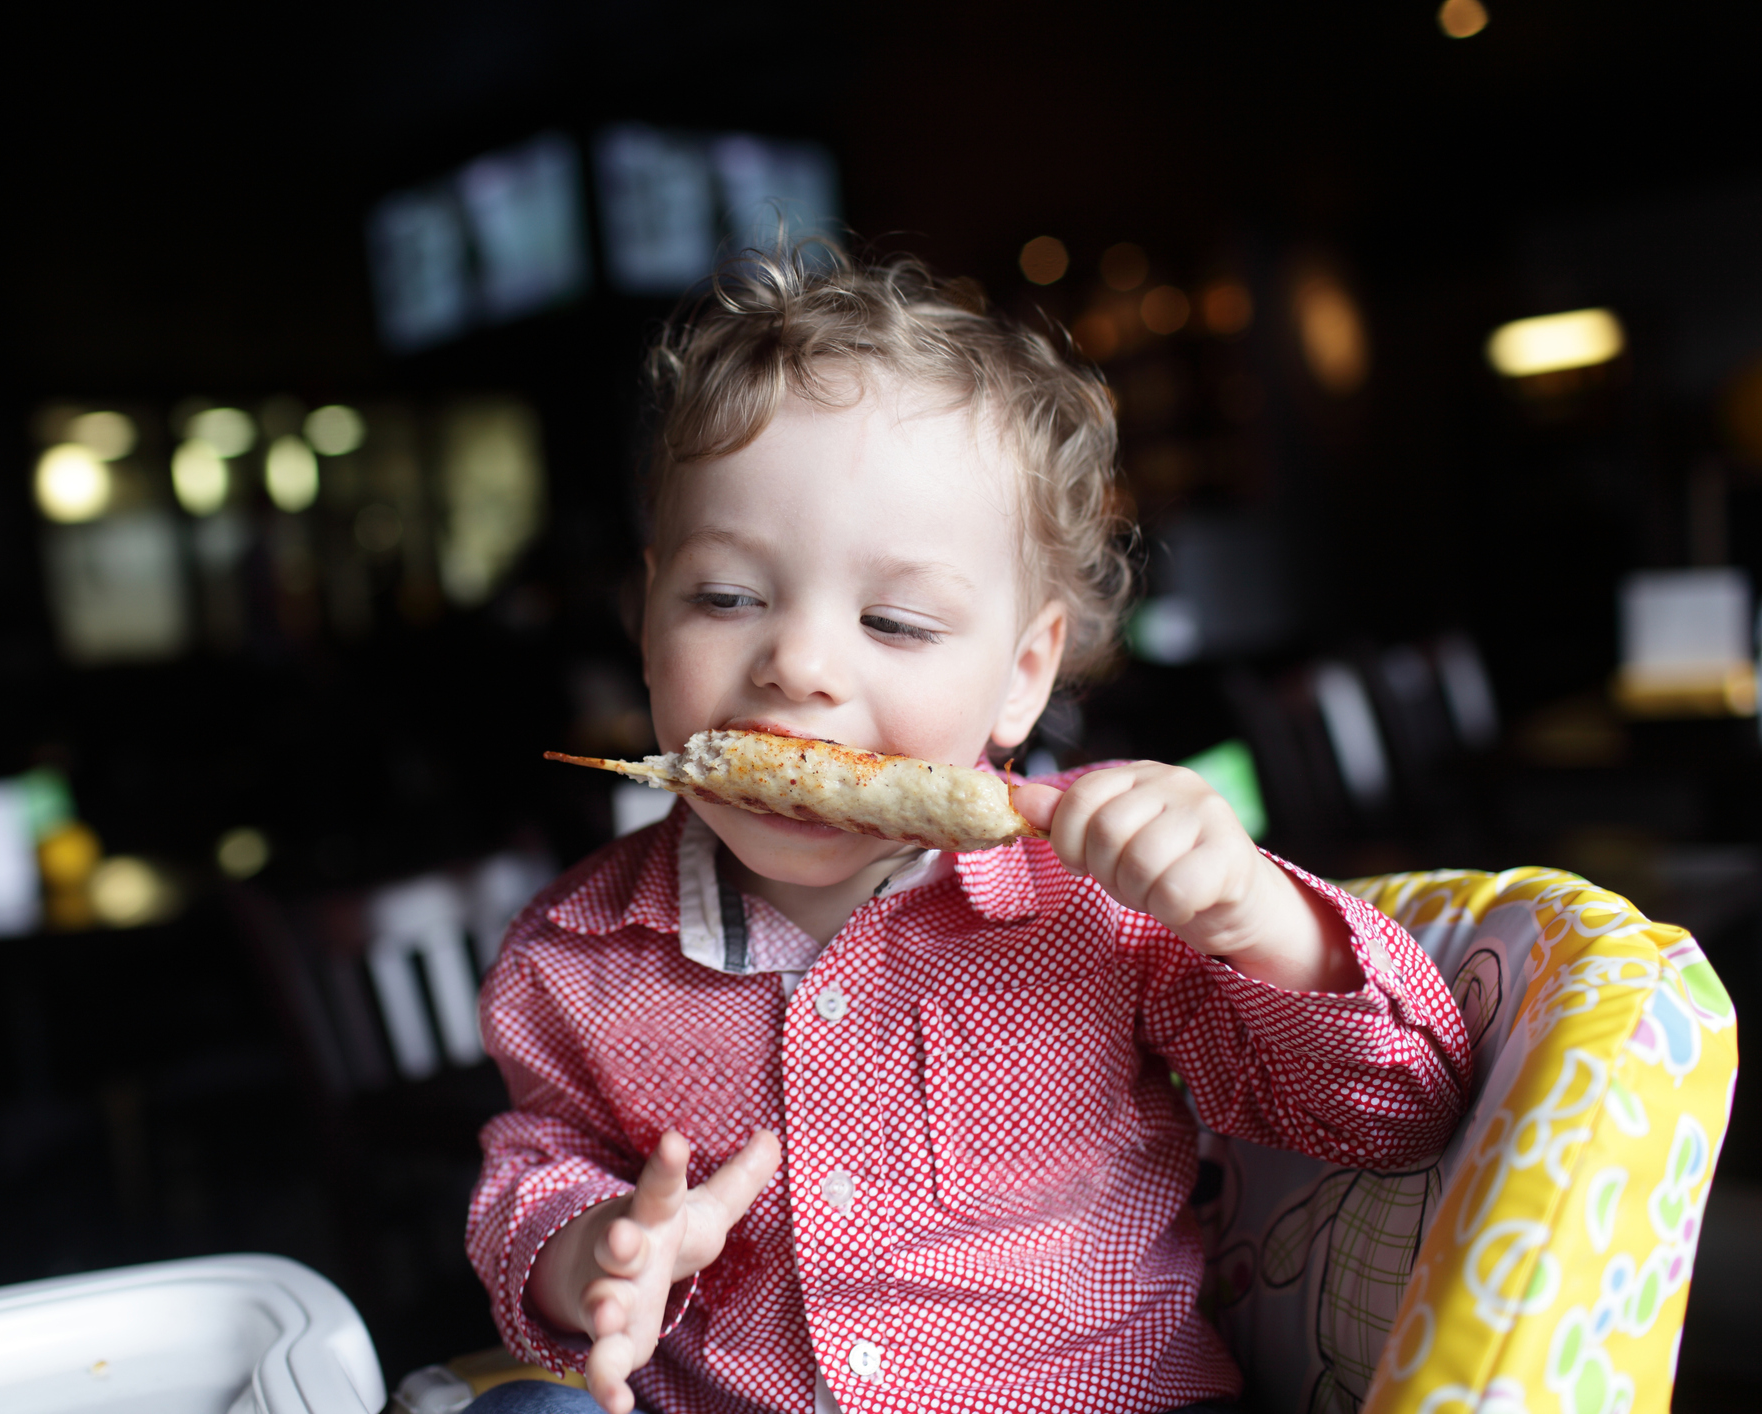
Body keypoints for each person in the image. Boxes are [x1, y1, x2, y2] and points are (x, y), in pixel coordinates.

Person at [464, 244, 1469, 1414]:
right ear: (646, 624)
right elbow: (530, 1175)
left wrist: (1257, 916)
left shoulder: (1103, 903)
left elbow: (1401, 1115)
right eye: (726, 597)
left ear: (1023, 675)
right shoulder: (572, 958)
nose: (796, 662)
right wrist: (583, 1252)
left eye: (895, 620)